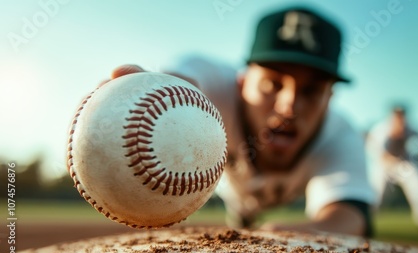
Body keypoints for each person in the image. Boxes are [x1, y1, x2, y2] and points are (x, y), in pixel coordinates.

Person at [102, 6, 376, 237]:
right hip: (236, 193)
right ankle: (242, 218)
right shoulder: (215, 89)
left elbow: (352, 215)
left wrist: (303, 233)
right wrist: (150, 91)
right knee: (240, 220)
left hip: (289, 193)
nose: (289, 106)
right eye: (272, 83)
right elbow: (180, 79)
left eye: (311, 91)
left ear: (330, 98)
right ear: (242, 82)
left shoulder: (340, 133)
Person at [365, 104, 418, 232]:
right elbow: (378, 155)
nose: (400, 119)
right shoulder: (381, 130)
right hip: (384, 166)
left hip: (404, 164)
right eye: (397, 116)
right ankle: (365, 219)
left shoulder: (411, 128)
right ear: (392, 116)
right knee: (376, 194)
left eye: (402, 116)